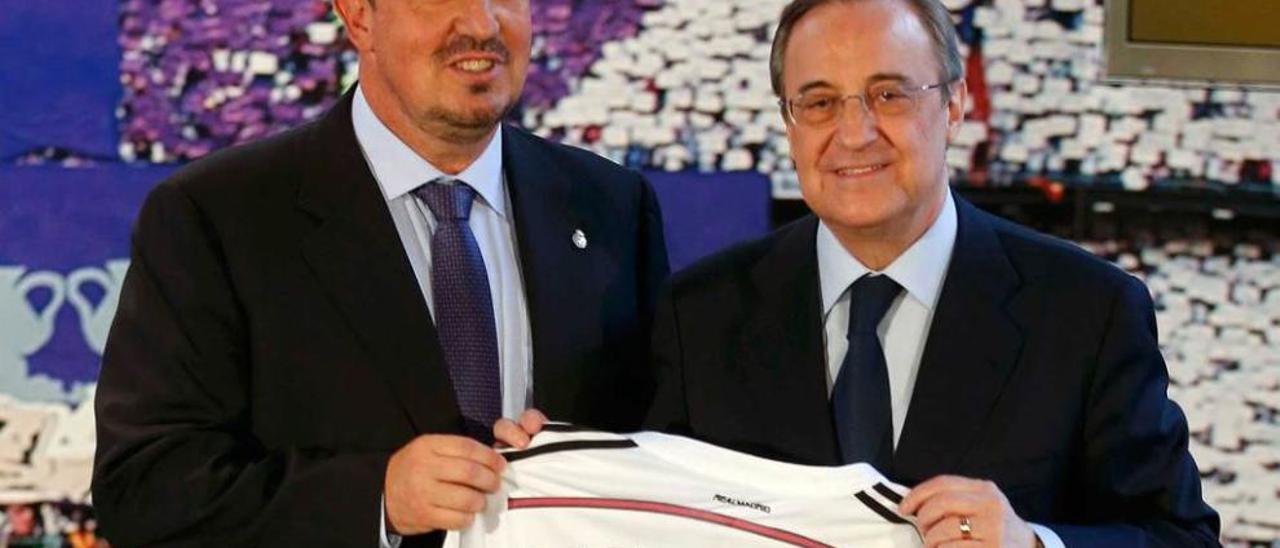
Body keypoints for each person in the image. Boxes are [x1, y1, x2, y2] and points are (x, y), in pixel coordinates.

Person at [90, 0, 668, 546]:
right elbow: (144, 487)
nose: (483, 24)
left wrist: (587, 458)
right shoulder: (217, 217)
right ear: (358, 17)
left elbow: (670, 455)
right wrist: (378, 499)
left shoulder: (610, 206)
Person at [644, 0, 1219, 546]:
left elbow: (1182, 536)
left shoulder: (1088, 312)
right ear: (788, 125)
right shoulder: (699, 314)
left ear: (953, 104)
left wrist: (1035, 544)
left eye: (888, 94)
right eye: (818, 103)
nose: (853, 133)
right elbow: (636, 515)